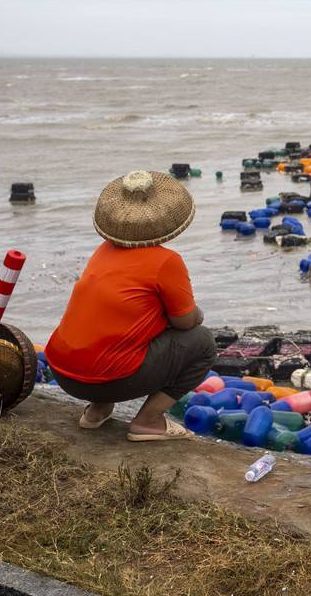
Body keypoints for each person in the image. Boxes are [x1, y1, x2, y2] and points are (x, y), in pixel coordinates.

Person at [46, 170, 216, 442]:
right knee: (203, 342)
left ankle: (97, 410)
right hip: (110, 379)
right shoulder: (166, 261)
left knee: (118, 326)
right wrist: (197, 314)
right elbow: (184, 322)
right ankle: (149, 420)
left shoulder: (103, 250)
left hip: (64, 373)